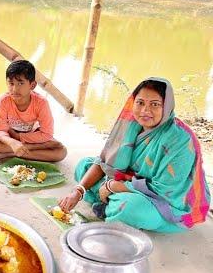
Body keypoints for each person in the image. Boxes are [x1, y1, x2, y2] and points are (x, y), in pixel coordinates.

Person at [59, 77, 210, 233]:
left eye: (155, 104)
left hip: (164, 200)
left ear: (167, 106)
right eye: (140, 103)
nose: (145, 110)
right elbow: (104, 162)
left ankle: (110, 202)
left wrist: (112, 186)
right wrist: (78, 192)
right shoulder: (130, 124)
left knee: (131, 208)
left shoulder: (180, 140)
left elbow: (164, 191)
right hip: (127, 180)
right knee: (84, 165)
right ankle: (110, 203)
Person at [0, 59, 67, 163]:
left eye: (20, 83)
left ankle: (10, 153)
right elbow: (0, 130)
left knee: (61, 152)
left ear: (32, 85)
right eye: (11, 83)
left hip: (29, 135)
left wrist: (19, 137)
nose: (15, 89)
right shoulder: (3, 101)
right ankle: (23, 150)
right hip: (7, 134)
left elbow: (47, 133)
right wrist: (12, 142)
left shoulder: (41, 103)